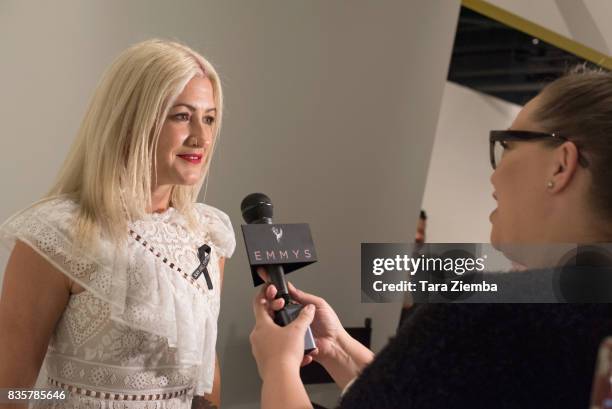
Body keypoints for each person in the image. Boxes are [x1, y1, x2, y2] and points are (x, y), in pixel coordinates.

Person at [249, 66, 612, 408]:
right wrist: (339, 348)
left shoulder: (491, 320)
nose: (495, 176)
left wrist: (278, 365)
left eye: (508, 145)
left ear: (560, 165)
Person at [0, 39, 235, 409]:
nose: (202, 138)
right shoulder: (56, 234)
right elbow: (9, 392)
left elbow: (204, 378)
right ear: (131, 119)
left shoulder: (206, 237)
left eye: (209, 118)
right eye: (181, 116)